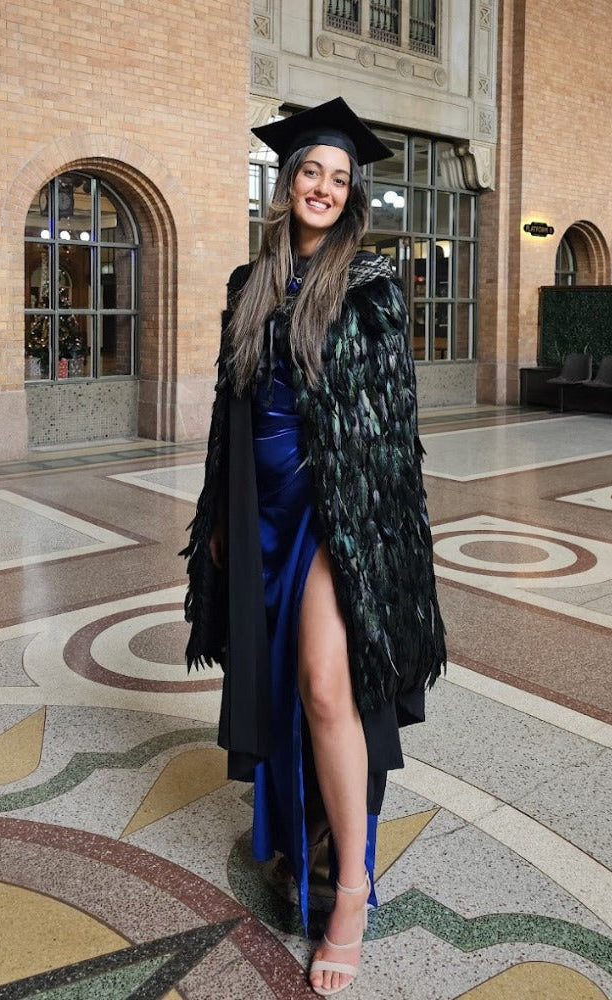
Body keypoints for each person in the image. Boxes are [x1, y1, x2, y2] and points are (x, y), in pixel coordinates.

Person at [182, 97, 445, 996]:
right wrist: (219, 512)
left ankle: (354, 893)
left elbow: (388, 426)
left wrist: (364, 530)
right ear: (286, 183)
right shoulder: (244, 286)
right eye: (311, 173)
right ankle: (303, 836)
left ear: (350, 194)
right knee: (281, 683)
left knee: (329, 685)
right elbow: (232, 412)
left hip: (341, 515)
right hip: (260, 510)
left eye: (339, 178)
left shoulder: (368, 286)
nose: (324, 188)